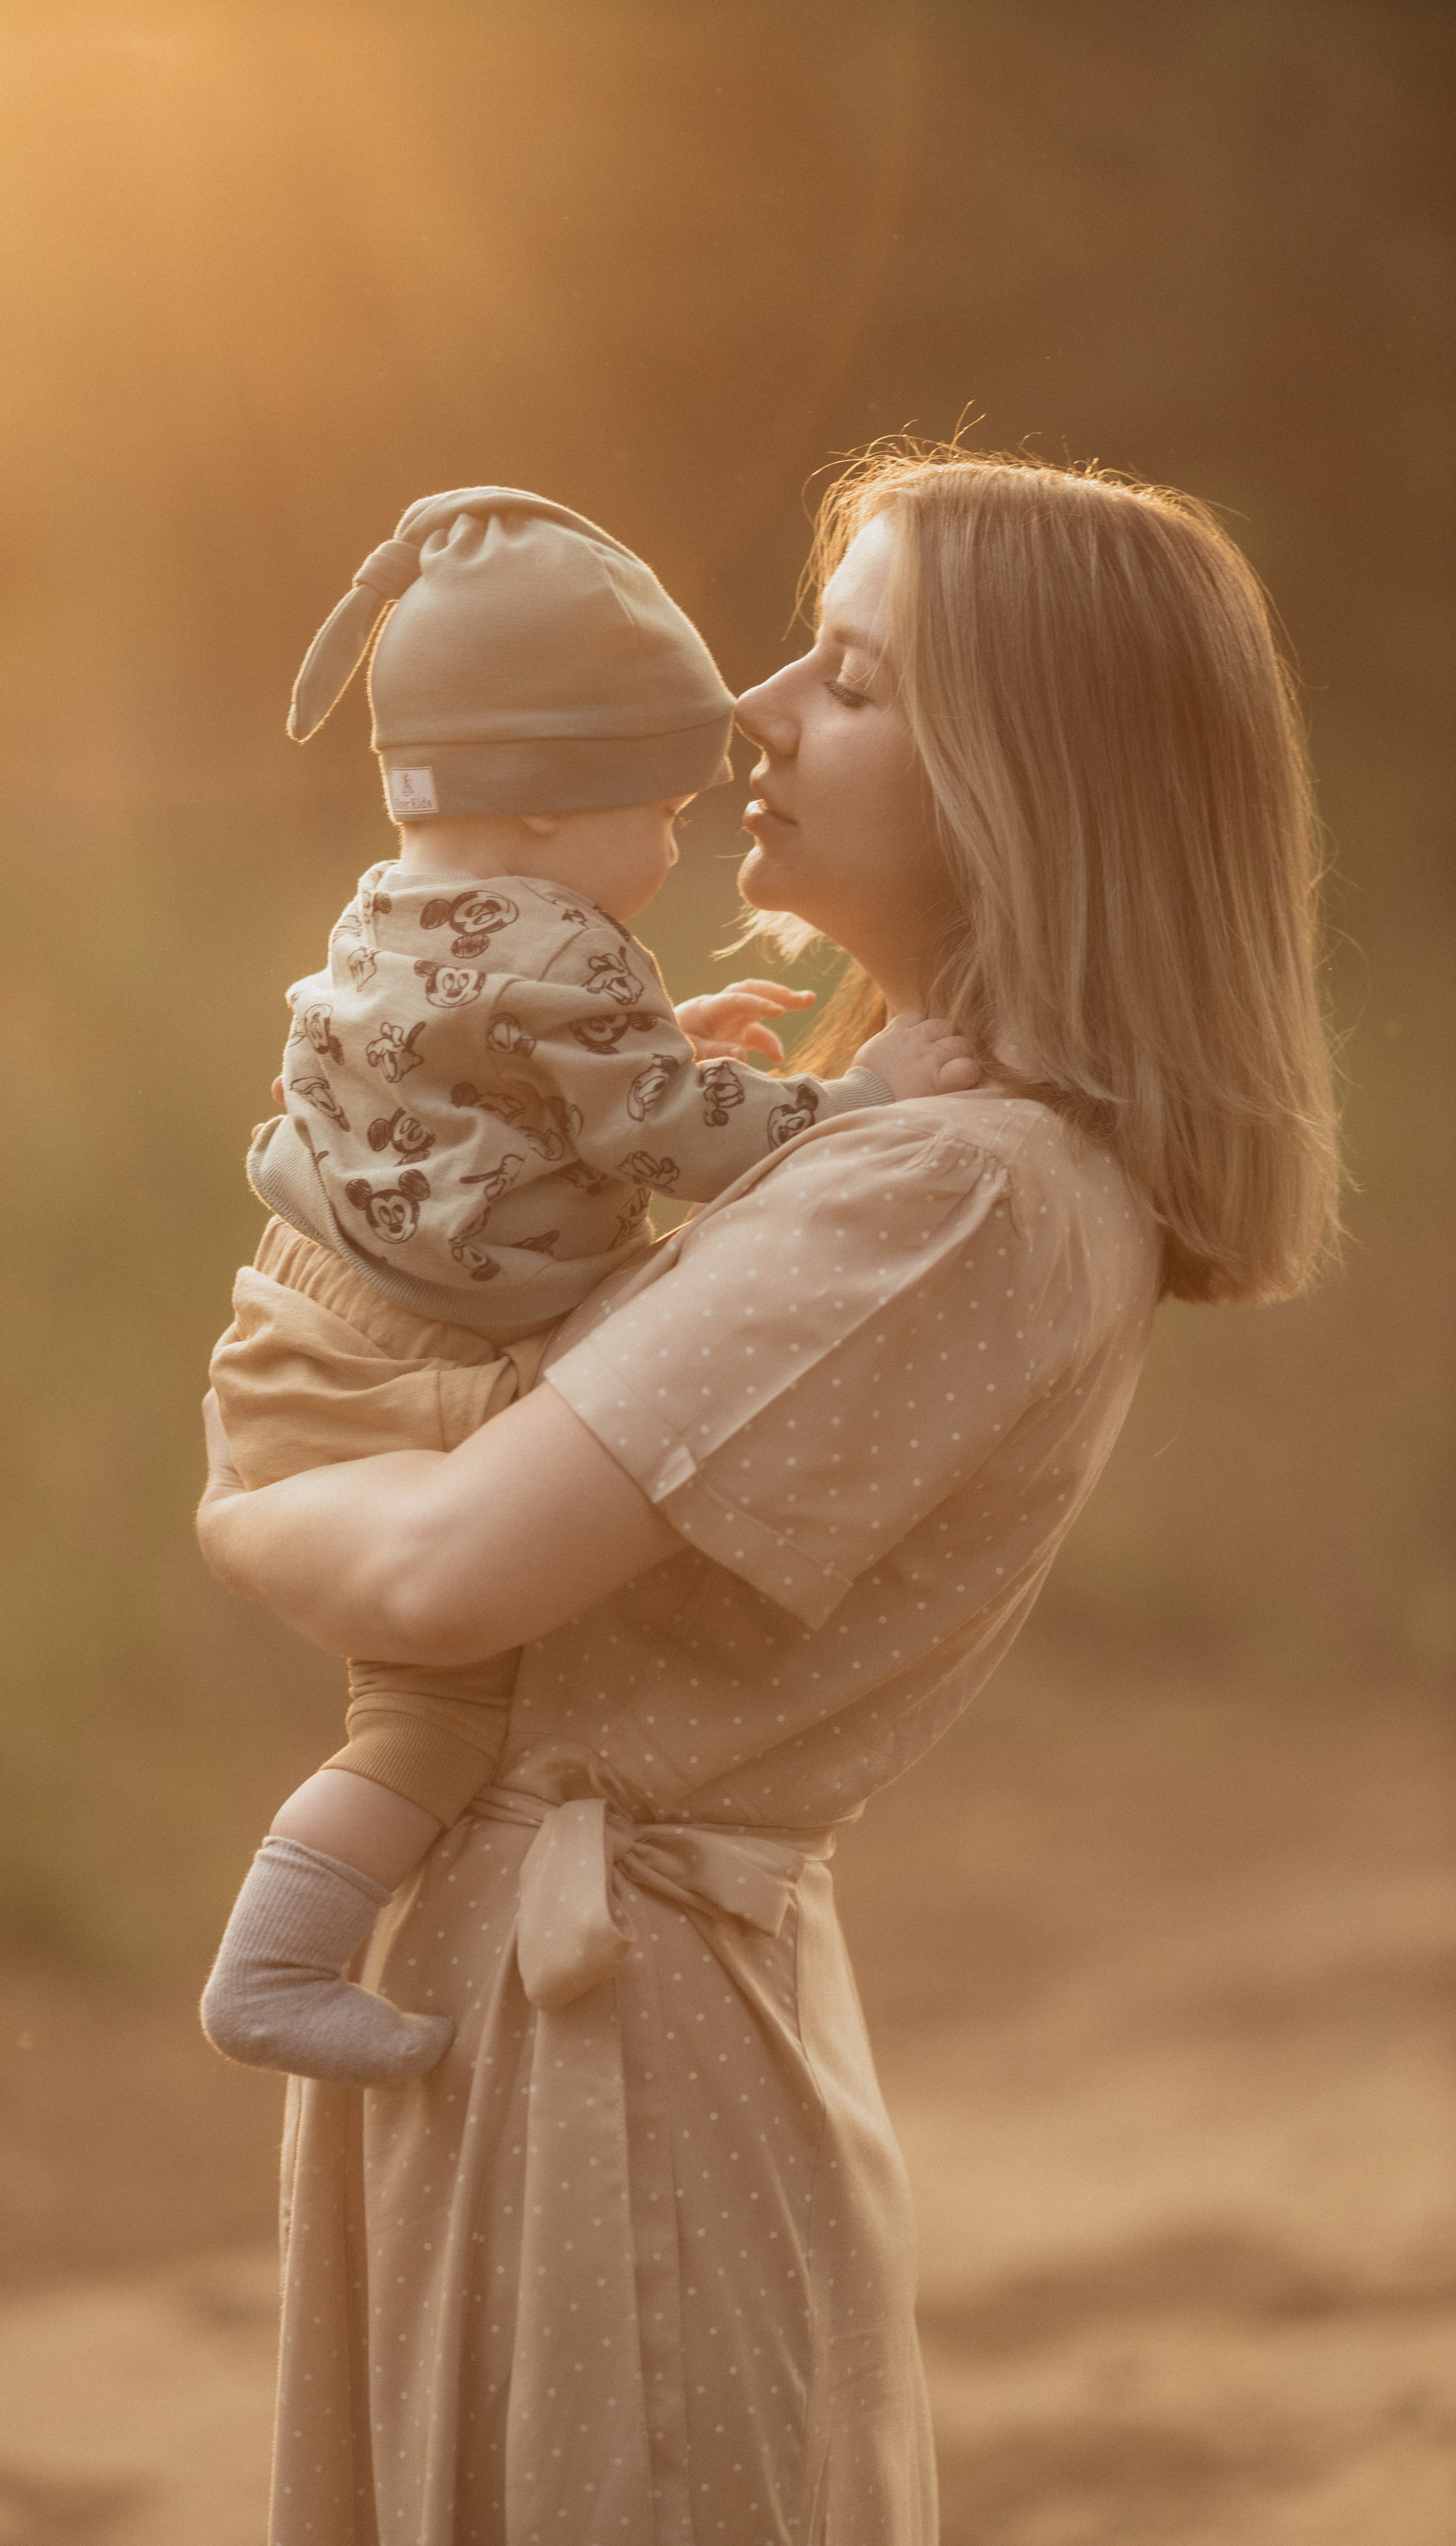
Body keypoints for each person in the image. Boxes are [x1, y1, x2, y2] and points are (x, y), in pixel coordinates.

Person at [197, 444, 1339, 2546]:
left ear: (1027, 783)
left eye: (854, 677)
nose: (754, 710)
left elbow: (442, 1572)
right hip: (537, 2008)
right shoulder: (880, 1141)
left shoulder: (953, 1189)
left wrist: (242, 1509)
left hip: (613, 2071)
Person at [198, 487, 981, 2090]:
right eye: (663, 808)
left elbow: (470, 1078)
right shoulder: (569, 953)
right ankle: (273, 1964)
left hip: (295, 1317)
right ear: (552, 809)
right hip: (419, 1357)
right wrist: (862, 1098)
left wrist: (658, 1040)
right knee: (427, 1722)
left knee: (409, 1700)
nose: (682, 840)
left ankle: (282, 1957)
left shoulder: (389, 907)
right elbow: (669, 1144)